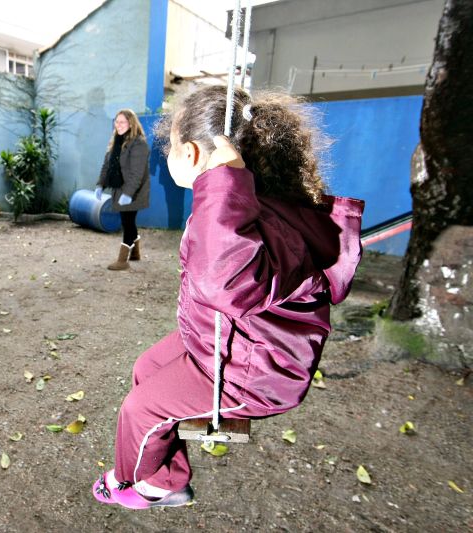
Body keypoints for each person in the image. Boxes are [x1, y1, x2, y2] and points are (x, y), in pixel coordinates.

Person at [91, 85, 364, 509]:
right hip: (232, 342)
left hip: (256, 370)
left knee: (138, 410)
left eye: (172, 146)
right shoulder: (249, 207)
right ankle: (170, 476)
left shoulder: (232, 208)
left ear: (195, 155)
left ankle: (134, 482)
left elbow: (227, 281)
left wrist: (223, 184)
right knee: (146, 367)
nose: (168, 156)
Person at [95, 109, 150, 271]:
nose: (118, 125)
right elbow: (107, 166)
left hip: (134, 190)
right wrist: (100, 185)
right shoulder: (116, 141)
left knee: (127, 221)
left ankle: (122, 260)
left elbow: (137, 173)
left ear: (131, 123)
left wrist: (128, 193)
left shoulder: (139, 143)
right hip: (120, 189)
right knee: (128, 221)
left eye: (122, 122)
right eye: (116, 121)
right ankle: (135, 253)